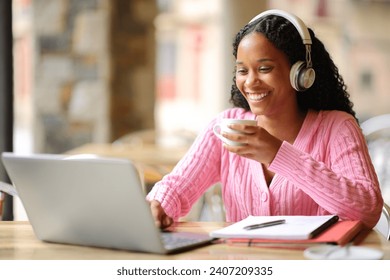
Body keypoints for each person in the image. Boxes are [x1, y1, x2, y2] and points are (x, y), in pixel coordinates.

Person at [146, 9, 383, 230]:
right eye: (242, 70)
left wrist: (278, 154)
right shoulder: (226, 126)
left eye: (264, 68)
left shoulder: (337, 128)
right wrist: (159, 204)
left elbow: (367, 209)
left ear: (300, 74)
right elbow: (177, 187)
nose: (250, 82)